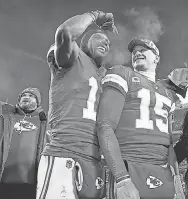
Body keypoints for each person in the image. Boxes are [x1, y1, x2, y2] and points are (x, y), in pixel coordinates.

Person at [37, 10, 118, 199]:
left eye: (108, 42)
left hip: (94, 159)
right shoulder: (73, 58)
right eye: (100, 38)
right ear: (84, 42)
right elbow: (65, 32)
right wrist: (96, 15)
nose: (106, 43)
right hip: (64, 152)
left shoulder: (103, 75)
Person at [96, 38, 188, 199]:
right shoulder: (122, 73)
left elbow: (168, 141)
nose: (137, 52)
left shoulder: (167, 93)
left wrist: (176, 177)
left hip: (163, 171)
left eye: (143, 49)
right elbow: (104, 125)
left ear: (156, 58)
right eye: (134, 51)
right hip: (131, 165)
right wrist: (121, 177)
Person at [0, 87, 47, 199]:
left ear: (38, 102)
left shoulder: (43, 123)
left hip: (30, 187)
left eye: (31, 96)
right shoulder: (2, 119)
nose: (26, 97)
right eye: (23, 95)